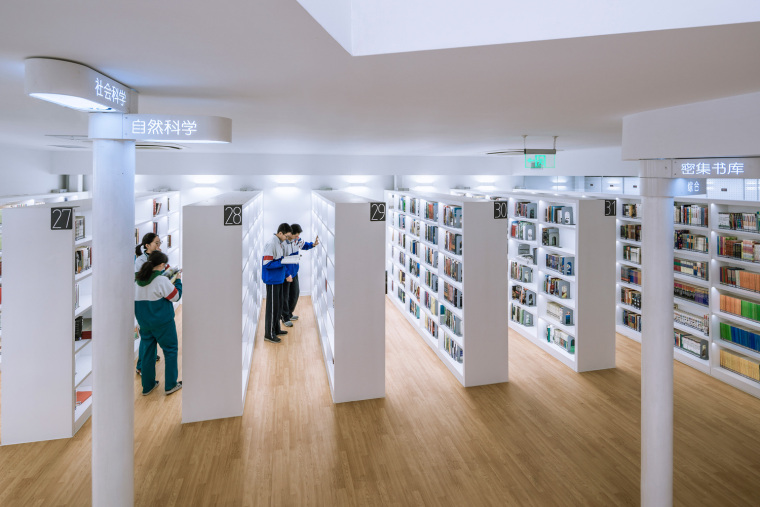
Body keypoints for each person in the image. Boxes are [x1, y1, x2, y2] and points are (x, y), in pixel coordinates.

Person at [134, 251, 183, 395]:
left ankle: (147, 387)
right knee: (170, 350)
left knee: (148, 354)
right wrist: (178, 280)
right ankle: (170, 385)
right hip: (163, 323)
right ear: (161, 265)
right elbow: (176, 296)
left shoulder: (137, 280)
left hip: (144, 324)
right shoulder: (161, 280)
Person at [134, 232, 162, 374]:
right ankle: (140, 366)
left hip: (155, 298)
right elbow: (143, 279)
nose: (159, 245)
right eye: (156, 243)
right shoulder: (140, 261)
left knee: (152, 334)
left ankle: (150, 356)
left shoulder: (157, 257)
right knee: (146, 336)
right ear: (147, 245)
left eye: (159, 243)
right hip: (144, 301)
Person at [281, 224, 319, 326]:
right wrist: (287, 274)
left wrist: (313, 244)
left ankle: (289, 313)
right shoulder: (283, 243)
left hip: (294, 272)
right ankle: (284, 317)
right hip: (286, 274)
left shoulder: (297, 240)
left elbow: (304, 245)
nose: (298, 237)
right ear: (290, 234)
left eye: (298, 235)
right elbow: (280, 260)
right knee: (285, 296)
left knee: (295, 293)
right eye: (296, 235)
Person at [262, 223, 292, 343]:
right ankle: (269, 334)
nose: (287, 239)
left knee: (278, 306)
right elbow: (267, 264)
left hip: (279, 279)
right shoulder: (271, 243)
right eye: (286, 236)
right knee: (272, 308)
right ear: (280, 233)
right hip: (272, 280)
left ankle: (276, 329)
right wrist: (283, 262)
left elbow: (279, 260)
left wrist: (285, 272)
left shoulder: (279, 243)